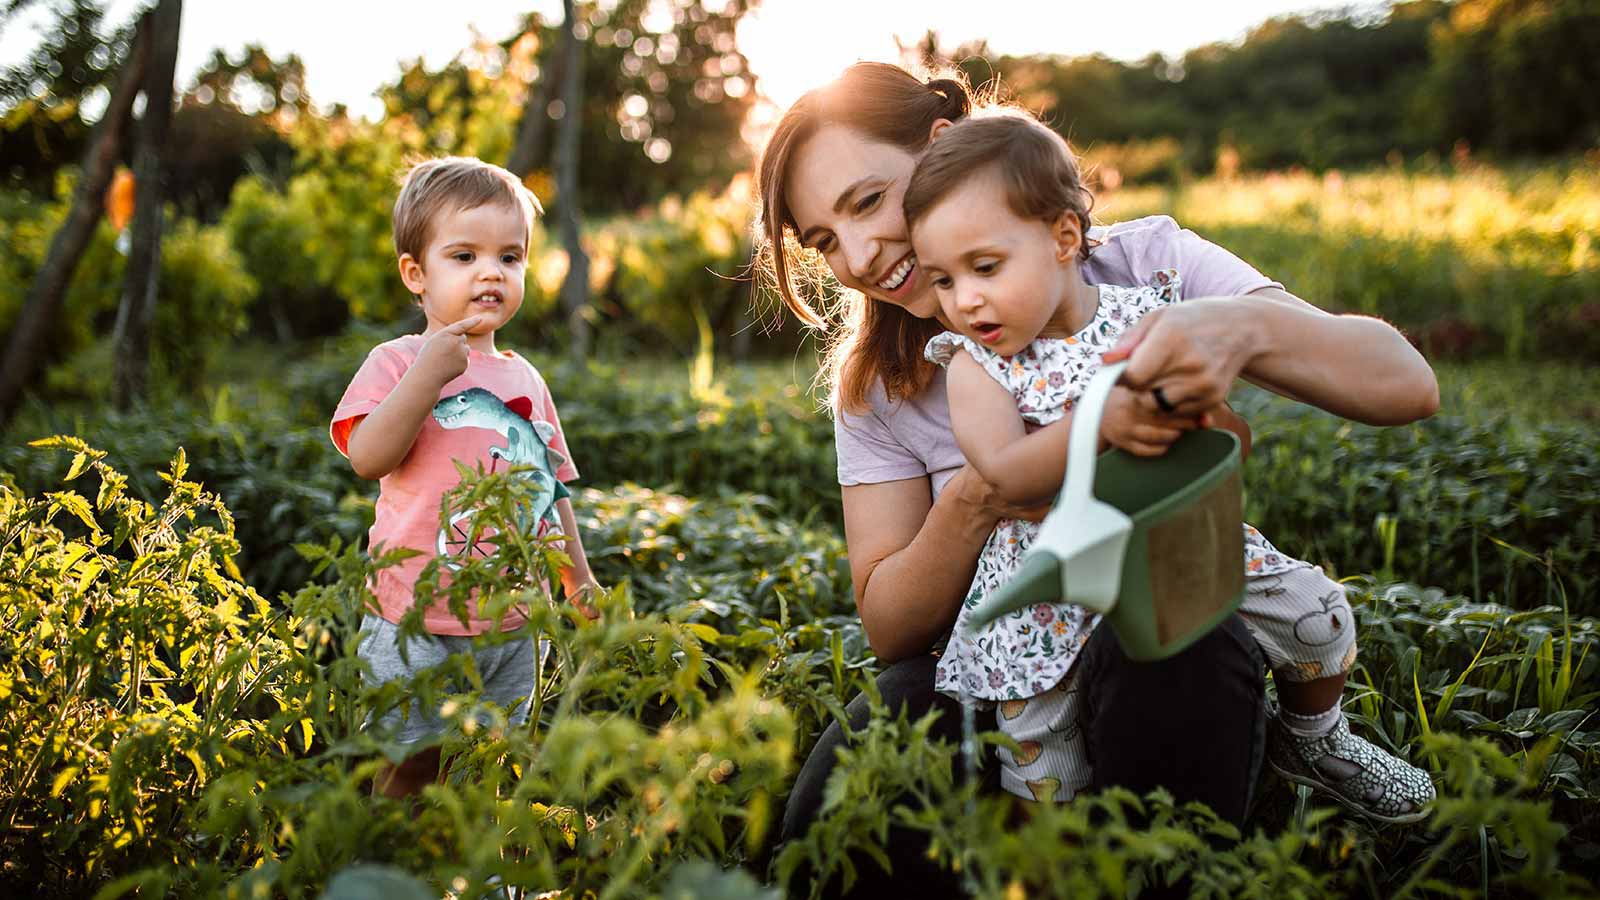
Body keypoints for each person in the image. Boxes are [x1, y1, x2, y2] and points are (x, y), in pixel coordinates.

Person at [755, 62, 1440, 891]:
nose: (858, 256)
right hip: (999, 662)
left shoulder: (1141, 267)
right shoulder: (880, 386)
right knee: (840, 814)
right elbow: (892, 630)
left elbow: (1406, 384)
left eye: (867, 202)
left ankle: (1233, 803)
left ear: (941, 150)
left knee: (1173, 637)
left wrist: (1240, 327)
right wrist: (988, 490)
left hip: (1153, 622)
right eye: (823, 240)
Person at [903, 111, 1435, 821]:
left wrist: (1204, 424)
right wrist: (1099, 420)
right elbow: (1002, 472)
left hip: (1176, 539)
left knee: (1318, 620)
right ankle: (1059, 860)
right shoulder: (976, 366)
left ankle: (1313, 737)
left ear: (1064, 238)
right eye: (942, 280)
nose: (964, 299)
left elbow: (1215, 426)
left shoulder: (1150, 315)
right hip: (1055, 579)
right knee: (1041, 764)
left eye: (985, 268)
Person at [329, 156, 599, 798]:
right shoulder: (394, 361)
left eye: (510, 257)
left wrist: (578, 578)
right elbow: (368, 456)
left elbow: (548, 491)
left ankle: (482, 877)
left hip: (511, 622)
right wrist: (428, 373)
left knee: (490, 771)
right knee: (408, 767)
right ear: (416, 275)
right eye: (464, 256)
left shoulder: (526, 380)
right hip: (414, 621)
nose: (490, 272)